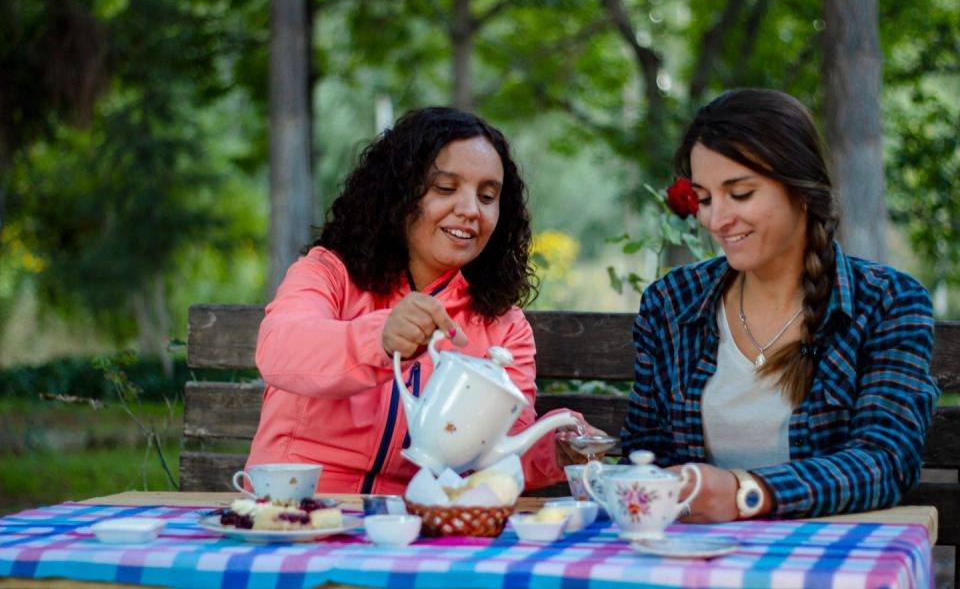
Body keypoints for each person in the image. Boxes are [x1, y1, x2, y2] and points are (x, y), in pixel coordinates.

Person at [621, 88, 939, 521]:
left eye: (741, 193)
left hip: (829, 563)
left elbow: (884, 462)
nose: (717, 221)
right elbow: (644, 454)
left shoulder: (886, 302)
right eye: (706, 198)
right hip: (693, 563)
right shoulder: (672, 302)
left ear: (800, 188)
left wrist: (745, 493)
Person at [247, 106, 598, 495]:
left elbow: (496, 451)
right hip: (294, 510)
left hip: (412, 526)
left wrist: (555, 447)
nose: (470, 211)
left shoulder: (503, 325)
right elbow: (280, 350)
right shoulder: (330, 272)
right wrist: (380, 339)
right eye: (446, 189)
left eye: (487, 196)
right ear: (398, 194)